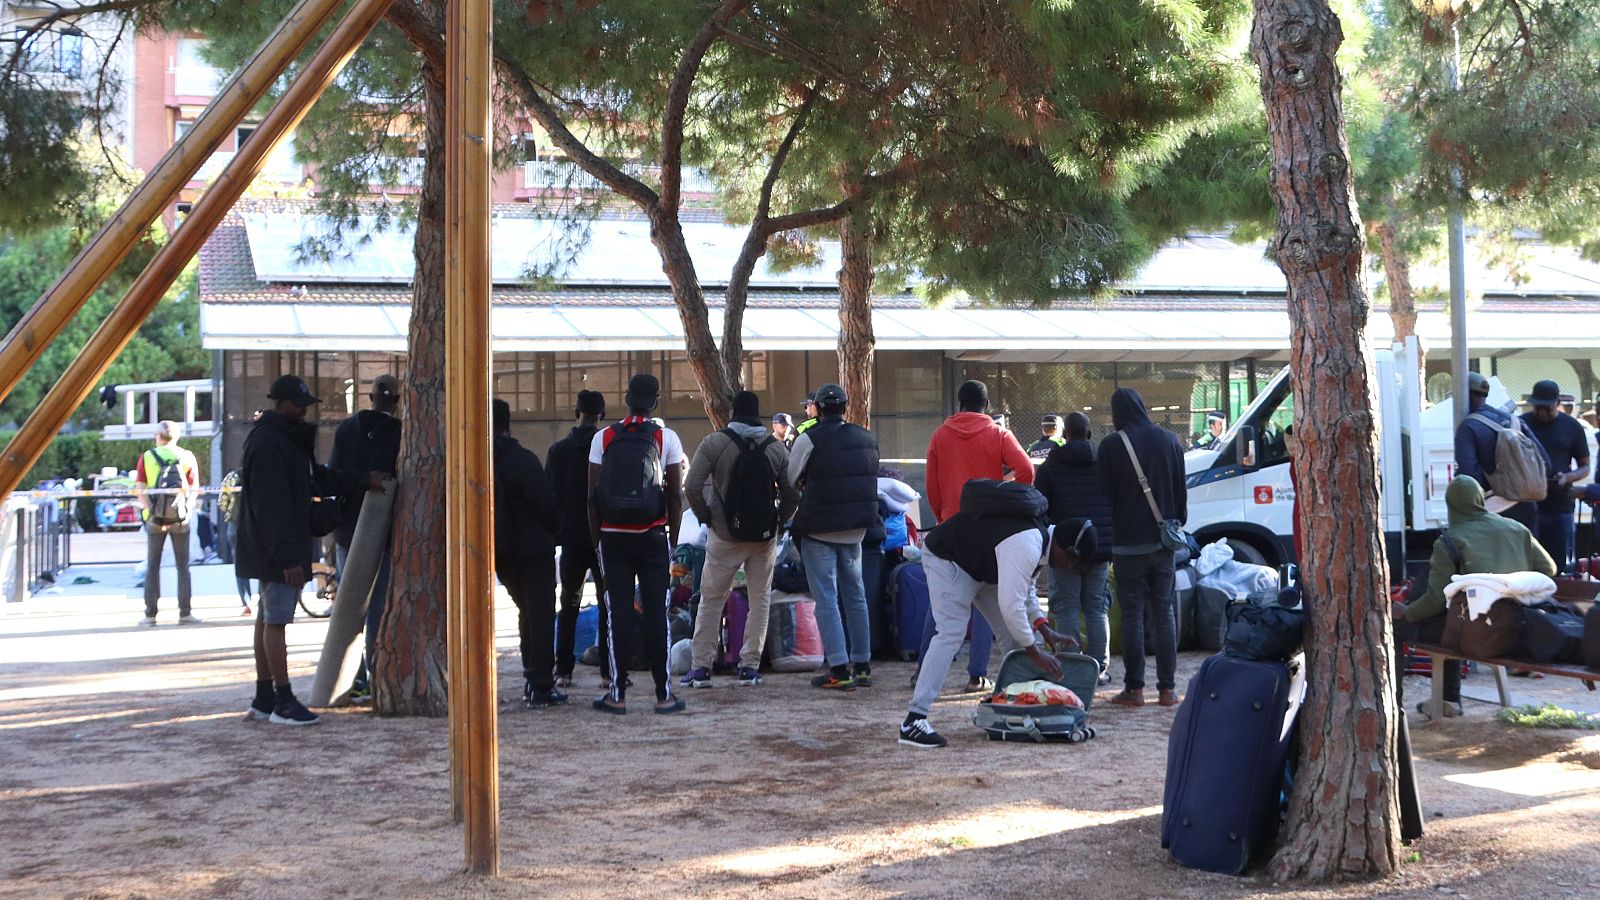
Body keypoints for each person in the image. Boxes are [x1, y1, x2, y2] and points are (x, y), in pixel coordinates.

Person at [899, 503, 1088, 750]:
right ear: (1068, 550)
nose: (1069, 568)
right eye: (1073, 562)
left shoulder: (1041, 538)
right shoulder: (1029, 543)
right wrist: (1035, 652)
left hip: (978, 567)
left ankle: (1020, 706)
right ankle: (914, 720)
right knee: (950, 633)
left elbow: (1026, 590)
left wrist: (1042, 627)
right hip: (947, 559)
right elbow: (1012, 606)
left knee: (1014, 636)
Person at [1392, 475, 1556, 717]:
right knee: (1457, 616)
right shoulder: (1517, 529)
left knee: (1399, 627)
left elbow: (1435, 599)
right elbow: (1548, 570)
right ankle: (1448, 699)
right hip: (1516, 629)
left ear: (1451, 506)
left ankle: (1393, 705)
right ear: (1481, 499)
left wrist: (1406, 612)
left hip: (1479, 636)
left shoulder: (1450, 541)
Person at [680, 391, 798, 688]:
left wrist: (707, 517)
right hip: (763, 537)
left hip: (724, 535)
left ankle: (701, 668)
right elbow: (792, 493)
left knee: (711, 600)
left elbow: (691, 486)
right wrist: (779, 521)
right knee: (760, 600)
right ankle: (749, 666)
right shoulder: (775, 447)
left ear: (732, 412)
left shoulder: (714, 443)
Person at [923, 380, 1033, 690]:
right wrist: (1003, 495)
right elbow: (1026, 470)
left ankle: (924, 669)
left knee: (943, 609)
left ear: (959, 404)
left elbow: (932, 486)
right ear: (987, 405)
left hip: (950, 530)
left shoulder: (940, 435)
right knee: (987, 599)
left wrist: (943, 515)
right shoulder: (998, 434)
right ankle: (977, 673)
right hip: (988, 531)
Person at [588, 373, 687, 714]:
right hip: (652, 536)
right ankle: (664, 694)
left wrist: (597, 540)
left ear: (627, 397)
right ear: (656, 401)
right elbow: (674, 495)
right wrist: (671, 539)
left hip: (613, 537)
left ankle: (617, 693)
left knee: (617, 613)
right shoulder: (666, 438)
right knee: (657, 613)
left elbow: (592, 496)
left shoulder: (604, 437)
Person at [238, 375, 322, 726]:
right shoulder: (275, 442)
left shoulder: (270, 438)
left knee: (266, 618)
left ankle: (265, 695)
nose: (304, 410)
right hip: (278, 549)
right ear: (281, 404)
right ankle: (283, 700)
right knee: (276, 621)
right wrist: (288, 556)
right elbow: (272, 505)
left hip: (265, 548)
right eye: (298, 404)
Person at [1098, 387, 1187, 708]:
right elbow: (1180, 491)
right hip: (1162, 542)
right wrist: (1174, 524)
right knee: (1164, 613)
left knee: (1133, 615)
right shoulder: (1169, 440)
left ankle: (1134, 689)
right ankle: (1168, 690)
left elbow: (1105, 491)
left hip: (1126, 543)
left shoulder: (1111, 445)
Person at [789, 382, 880, 690]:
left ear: (818, 408)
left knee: (826, 598)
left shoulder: (808, 438)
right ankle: (863, 665)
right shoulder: (866, 438)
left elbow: (791, 478)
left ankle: (838, 669)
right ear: (845, 406)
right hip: (856, 528)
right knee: (856, 596)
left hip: (819, 527)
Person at [327, 374, 400, 700]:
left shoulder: (346, 430)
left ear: (370, 397)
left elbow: (334, 475)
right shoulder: (400, 433)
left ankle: (349, 676)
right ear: (397, 401)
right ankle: (376, 675)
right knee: (379, 606)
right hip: (384, 530)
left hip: (347, 530)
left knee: (349, 605)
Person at [493, 399, 566, 708]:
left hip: (501, 550)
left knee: (525, 612)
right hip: (533, 548)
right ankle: (540, 683)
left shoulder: (478, 459)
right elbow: (546, 503)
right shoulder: (521, 459)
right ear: (508, 424)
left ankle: (531, 674)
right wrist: (554, 529)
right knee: (540, 615)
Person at [1036, 412, 1115, 676]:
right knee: (1096, 607)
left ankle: (1070, 666)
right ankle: (1099, 668)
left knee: (1066, 607)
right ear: (1089, 433)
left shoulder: (1050, 466)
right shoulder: (1104, 464)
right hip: (1100, 547)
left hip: (1064, 549)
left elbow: (1040, 507)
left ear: (1065, 435)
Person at [547, 389, 607, 687]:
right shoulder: (608, 449)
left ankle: (563, 671)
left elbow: (550, 496)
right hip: (602, 538)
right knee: (607, 603)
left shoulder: (558, 451)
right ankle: (609, 670)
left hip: (571, 538)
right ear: (603, 416)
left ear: (576, 413)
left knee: (568, 603)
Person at [1455, 371, 1548, 530]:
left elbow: (1469, 478)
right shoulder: (1514, 421)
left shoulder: (1468, 427)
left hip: (1493, 511)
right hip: (1527, 507)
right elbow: (1545, 463)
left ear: (1464, 394)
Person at [135, 420, 201, 626]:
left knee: (153, 566)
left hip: (156, 519)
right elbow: (194, 489)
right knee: (183, 566)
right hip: (181, 519)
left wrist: (151, 511)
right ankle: (185, 612)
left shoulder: (147, 457)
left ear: (158, 437)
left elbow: (140, 488)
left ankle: (150, 614)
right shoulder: (188, 456)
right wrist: (186, 511)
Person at [1520, 379, 1590, 572]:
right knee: (1528, 563)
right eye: (1537, 407)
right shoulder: (1521, 424)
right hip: (1528, 504)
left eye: (1547, 408)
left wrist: (1568, 477)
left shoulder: (1572, 427)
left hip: (1560, 505)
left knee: (1558, 564)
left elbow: (1585, 467)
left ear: (1557, 403)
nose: (1541, 412)